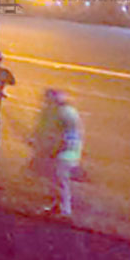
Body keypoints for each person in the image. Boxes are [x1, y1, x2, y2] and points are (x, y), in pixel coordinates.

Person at [32, 89, 83, 217]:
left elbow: (66, 135)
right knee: (54, 180)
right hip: (58, 150)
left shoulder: (65, 113)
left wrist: (53, 148)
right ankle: (57, 206)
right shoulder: (56, 111)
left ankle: (65, 210)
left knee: (61, 180)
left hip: (64, 151)